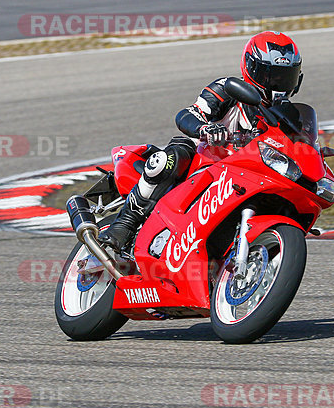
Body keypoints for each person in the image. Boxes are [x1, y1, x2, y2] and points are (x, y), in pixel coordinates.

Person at [97, 31, 304, 252]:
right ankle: (124, 224)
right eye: (271, 75)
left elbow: (298, 148)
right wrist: (204, 128)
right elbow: (187, 114)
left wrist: (331, 151)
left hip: (246, 176)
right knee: (167, 159)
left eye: (285, 77)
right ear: (251, 69)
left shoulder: (289, 116)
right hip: (203, 161)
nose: (278, 83)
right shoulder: (228, 88)